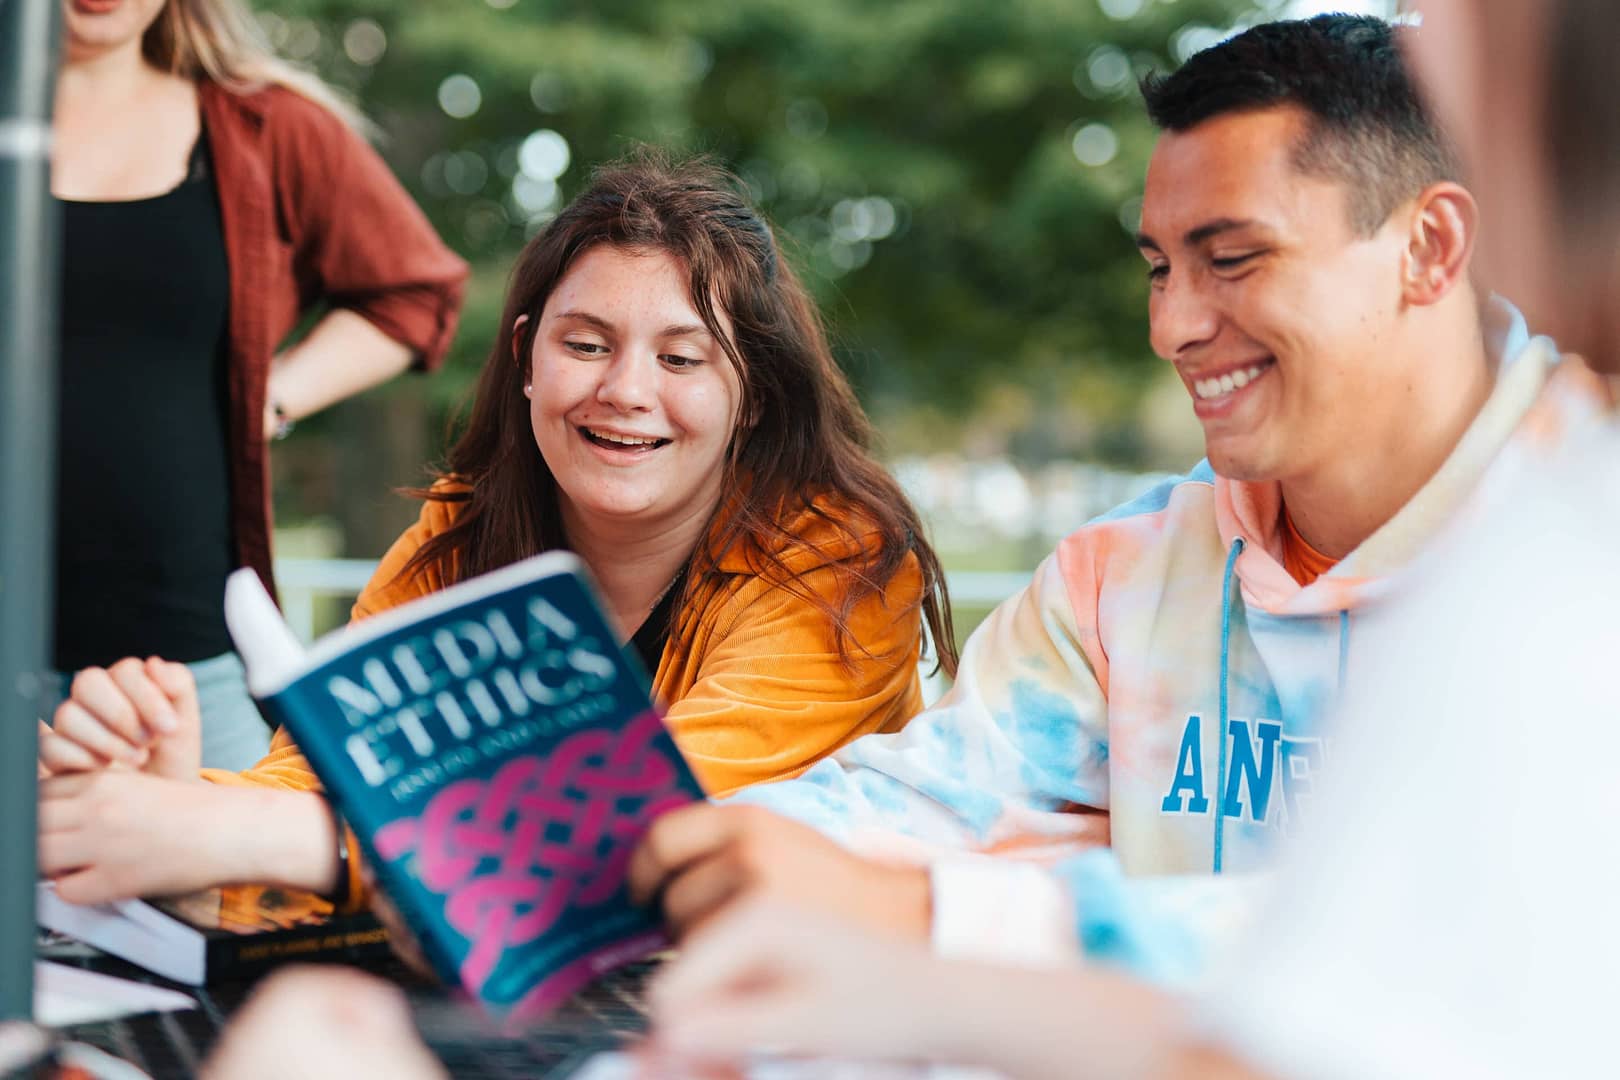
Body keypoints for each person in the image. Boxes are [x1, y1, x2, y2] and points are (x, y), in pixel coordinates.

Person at [632, 3, 1620, 1078]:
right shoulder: (1129, 574)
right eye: (1159, 267)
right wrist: (675, 848)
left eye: (1232, 258)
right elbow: (925, 798)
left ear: (1429, 247)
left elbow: (1418, 963)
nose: (1173, 327)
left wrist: (932, 916)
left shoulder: (1571, 542)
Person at [35, 152, 956, 913]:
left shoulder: (839, 565)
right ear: (525, 358)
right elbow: (317, 780)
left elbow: (656, 823)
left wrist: (226, 833)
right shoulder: (457, 536)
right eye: (585, 345)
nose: (625, 391)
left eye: (681, 359)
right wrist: (165, 800)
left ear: (751, 396)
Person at [46, 0, 468, 771]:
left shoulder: (267, 127)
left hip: (189, 665)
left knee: (215, 890)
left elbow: (414, 292)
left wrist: (264, 398)